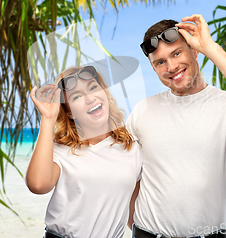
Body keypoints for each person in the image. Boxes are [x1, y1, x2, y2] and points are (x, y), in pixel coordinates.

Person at [126, 14, 226, 238]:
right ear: (154, 68)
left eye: (177, 53)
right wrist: (136, 227)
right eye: (160, 62)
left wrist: (210, 47)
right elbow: (128, 177)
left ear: (194, 51)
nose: (172, 66)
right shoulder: (142, 110)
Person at [27, 65, 142, 238]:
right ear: (70, 113)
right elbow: (38, 185)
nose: (90, 98)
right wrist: (48, 119)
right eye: (77, 96)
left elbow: (133, 211)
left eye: (93, 88)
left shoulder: (132, 148)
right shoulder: (62, 149)